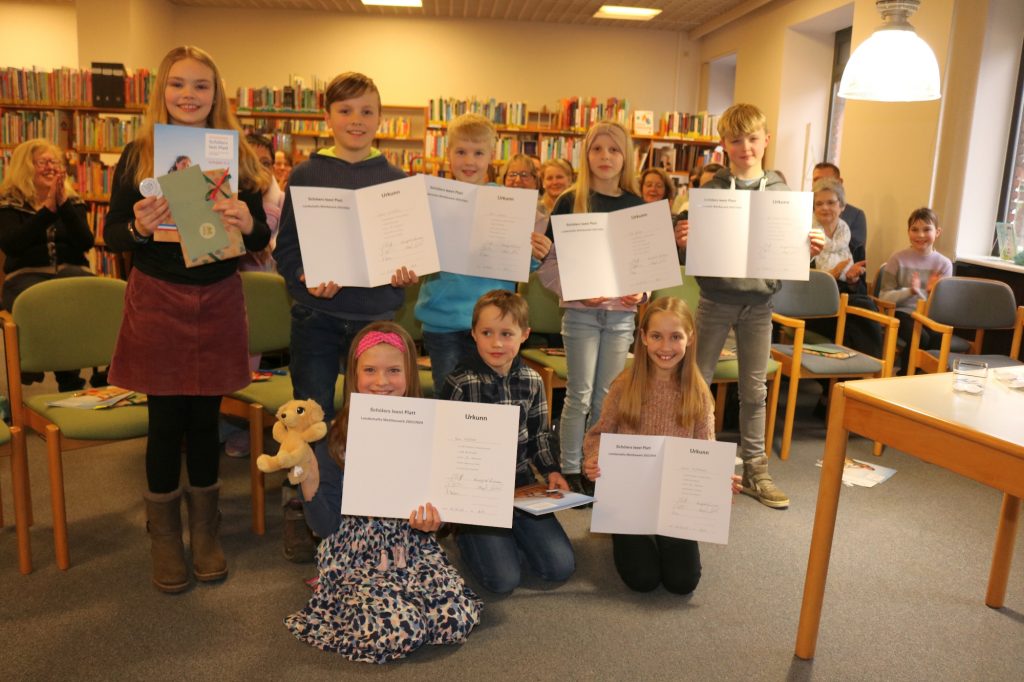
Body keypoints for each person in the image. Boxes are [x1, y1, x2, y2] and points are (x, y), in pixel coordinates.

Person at [104, 45, 272, 593]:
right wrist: (139, 227)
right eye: (178, 84)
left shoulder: (235, 154)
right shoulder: (138, 155)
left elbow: (260, 237)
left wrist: (247, 222)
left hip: (217, 297)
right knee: (164, 422)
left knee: (204, 421)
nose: (189, 95)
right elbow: (113, 235)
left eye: (201, 85)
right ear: (163, 90)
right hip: (158, 297)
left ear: (216, 93)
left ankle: (205, 531)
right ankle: (163, 536)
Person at [273, 71, 418, 561]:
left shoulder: (397, 182)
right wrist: (305, 278)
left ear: (381, 119)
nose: (357, 120)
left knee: (375, 418)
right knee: (307, 417)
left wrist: (406, 273)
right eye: (346, 110)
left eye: (367, 111)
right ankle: (302, 506)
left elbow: (409, 258)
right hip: (316, 316)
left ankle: (374, 511)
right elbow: (286, 250)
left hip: (375, 320)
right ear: (328, 117)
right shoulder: (305, 174)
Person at [286, 321, 481, 663]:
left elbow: (441, 504)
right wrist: (309, 481)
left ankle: (396, 600)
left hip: (412, 547)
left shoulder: (431, 429)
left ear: (410, 374)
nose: (381, 381)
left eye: (394, 370)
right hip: (355, 553)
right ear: (354, 375)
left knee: (454, 620)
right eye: (370, 370)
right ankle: (344, 598)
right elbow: (324, 527)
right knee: (401, 630)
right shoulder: (334, 437)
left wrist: (435, 523)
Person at [676, 103, 825, 509]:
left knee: (754, 390)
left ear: (766, 140)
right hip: (715, 300)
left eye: (753, 139)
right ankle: (693, 463)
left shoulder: (782, 195)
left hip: (760, 305)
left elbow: (794, 254)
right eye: (736, 140)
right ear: (724, 144)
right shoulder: (709, 192)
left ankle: (756, 469)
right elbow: (689, 252)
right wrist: (683, 240)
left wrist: (811, 249)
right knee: (697, 384)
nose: (746, 148)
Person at [583, 297, 741, 593]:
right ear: (643, 337)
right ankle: (625, 534)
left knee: (682, 582)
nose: (665, 347)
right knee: (643, 579)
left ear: (690, 338)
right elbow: (597, 435)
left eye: (675, 337)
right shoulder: (624, 385)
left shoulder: (698, 392)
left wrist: (719, 481)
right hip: (630, 500)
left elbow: (706, 450)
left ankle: (658, 535)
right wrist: (594, 458)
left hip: (676, 504)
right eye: (656, 336)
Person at [440, 289, 574, 593]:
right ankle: (466, 534)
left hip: (520, 485)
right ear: (473, 333)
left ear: (524, 335)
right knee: (503, 581)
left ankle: (510, 533)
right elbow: (445, 446)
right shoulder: (460, 383)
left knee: (559, 567)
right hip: (475, 493)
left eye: (507, 334)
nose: (497, 343)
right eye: (487, 333)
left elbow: (539, 435)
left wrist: (552, 470)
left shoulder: (532, 380)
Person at [538, 120, 645, 496]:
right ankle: (570, 468)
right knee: (579, 394)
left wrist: (641, 292)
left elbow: (645, 265)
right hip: (580, 314)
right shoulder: (570, 201)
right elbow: (548, 265)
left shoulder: (636, 206)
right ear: (585, 155)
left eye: (614, 149)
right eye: (597, 148)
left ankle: (593, 467)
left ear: (625, 157)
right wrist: (577, 292)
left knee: (606, 397)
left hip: (621, 317)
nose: (605, 156)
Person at [415, 113, 551, 390]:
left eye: (478, 153)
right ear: (448, 154)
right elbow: (415, 251)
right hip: (444, 323)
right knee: (450, 397)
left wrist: (537, 255)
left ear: (491, 155)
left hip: (495, 324)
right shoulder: (432, 199)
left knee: (492, 397)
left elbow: (521, 260)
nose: (469, 161)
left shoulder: (506, 202)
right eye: (461, 152)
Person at [0, 138, 96, 392]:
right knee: (46, 299)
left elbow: (85, 242)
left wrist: (63, 207)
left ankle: (82, 370)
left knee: (89, 294)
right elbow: (12, 245)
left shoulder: (73, 201)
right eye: (42, 162)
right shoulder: (8, 203)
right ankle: (65, 377)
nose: (51, 167)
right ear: (25, 166)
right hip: (25, 276)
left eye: (55, 162)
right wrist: (47, 211)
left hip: (72, 273)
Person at [878, 207, 953, 375]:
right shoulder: (897, 258)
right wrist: (910, 291)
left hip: (928, 315)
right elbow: (884, 296)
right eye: (915, 229)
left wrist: (931, 293)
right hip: (902, 312)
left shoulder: (944, 264)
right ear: (908, 232)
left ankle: (921, 377)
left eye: (926, 229)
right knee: (919, 337)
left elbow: (943, 306)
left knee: (938, 337)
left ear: (937, 232)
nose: (920, 235)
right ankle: (905, 375)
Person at [812, 162, 867, 264]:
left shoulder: (855, 216)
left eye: (827, 180)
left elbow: (858, 256)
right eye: (816, 180)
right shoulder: (803, 216)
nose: (822, 184)